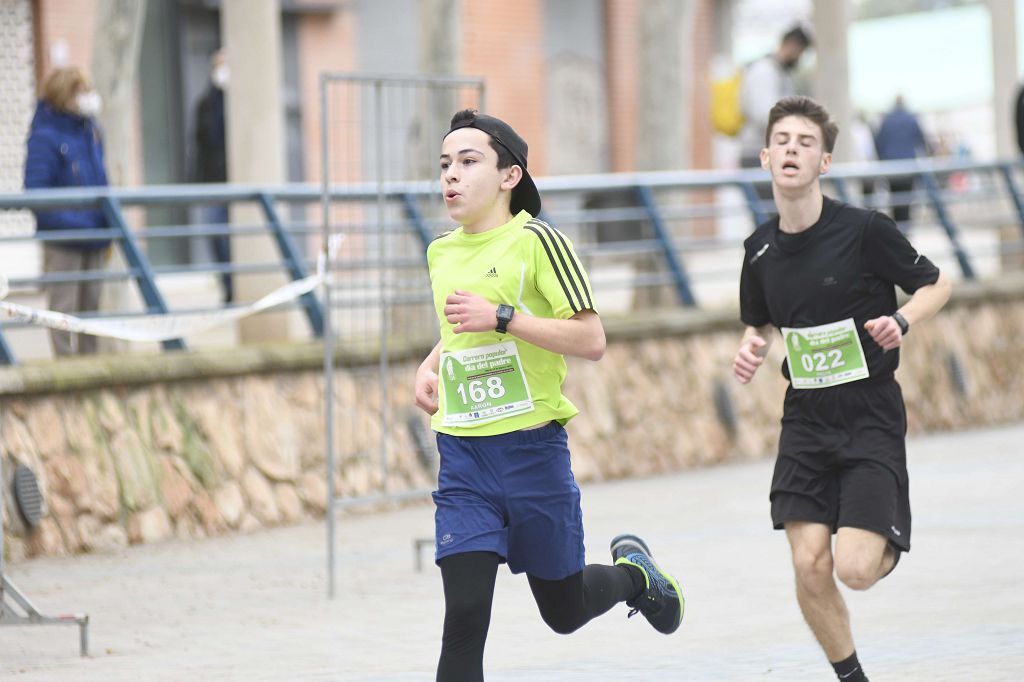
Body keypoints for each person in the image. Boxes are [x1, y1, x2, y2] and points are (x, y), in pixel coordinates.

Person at [414, 109, 685, 681]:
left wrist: (504, 317)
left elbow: (592, 339)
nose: (451, 177)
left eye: (468, 162)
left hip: (532, 454)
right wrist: (429, 364)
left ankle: (636, 576)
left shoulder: (539, 242)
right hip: (464, 458)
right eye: (444, 165)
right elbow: (456, 331)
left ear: (509, 176)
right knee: (464, 615)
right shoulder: (440, 251)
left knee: (563, 611)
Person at [732, 96, 951, 682]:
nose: (792, 150)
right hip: (804, 417)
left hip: (869, 414)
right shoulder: (757, 250)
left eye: (805, 142)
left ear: (824, 161)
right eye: (782, 141)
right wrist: (753, 344)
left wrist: (903, 322)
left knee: (853, 568)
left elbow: (937, 284)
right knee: (809, 565)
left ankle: (884, 527)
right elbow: (760, 322)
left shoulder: (864, 231)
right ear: (765, 157)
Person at [24, 67, 111, 357]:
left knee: (92, 309)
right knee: (63, 310)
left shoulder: (92, 131)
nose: (86, 98)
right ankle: (66, 369)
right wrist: (77, 224)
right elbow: (37, 193)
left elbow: (102, 182)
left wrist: (107, 225)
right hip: (65, 242)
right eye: (80, 91)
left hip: (96, 238)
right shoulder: (45, 137)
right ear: (65, 95)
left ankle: (91, 368)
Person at [739, 24, 813, 205]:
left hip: (773, 155)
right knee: (769, 216)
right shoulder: (763, 71)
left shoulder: (780, 73)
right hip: (758, 154)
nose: (799, 58)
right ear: (792, 45)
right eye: (800, 52)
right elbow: (762, 116)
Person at [192, 48, 232, 303]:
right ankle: (228, 285)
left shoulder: (243, 101)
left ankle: (238, 284)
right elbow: (206, 138)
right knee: (217, 234)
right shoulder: (207, 103)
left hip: (238, 182)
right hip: (215, 182)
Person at [874, 95, 929, 228]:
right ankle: (905, 230)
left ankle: (897, 229)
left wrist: (882, 159)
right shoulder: (911, 119)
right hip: (909, 166)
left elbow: (878, 142)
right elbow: (922, 141)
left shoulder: (887, 120)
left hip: (891, 166)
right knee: (907, 200)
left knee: (894, 200)